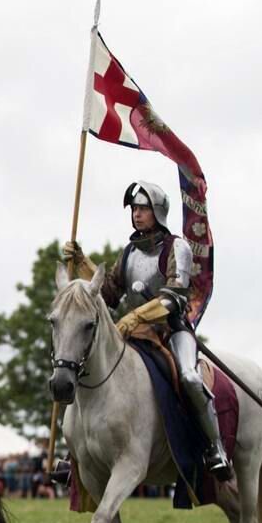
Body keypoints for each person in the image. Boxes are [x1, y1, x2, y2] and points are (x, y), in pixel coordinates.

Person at [63, 180, 231, 480]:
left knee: (191, 377)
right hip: (135, 333)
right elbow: (111, 293)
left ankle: (213, 447)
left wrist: (134, 317)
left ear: (158, 212)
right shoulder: (129, 252)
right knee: (90, 367)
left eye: (143, 208)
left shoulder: (176, 247)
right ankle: (76, 451)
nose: (137, 214)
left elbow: (173, 297)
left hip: (171, 330)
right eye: (135, 209)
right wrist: (82, 261)